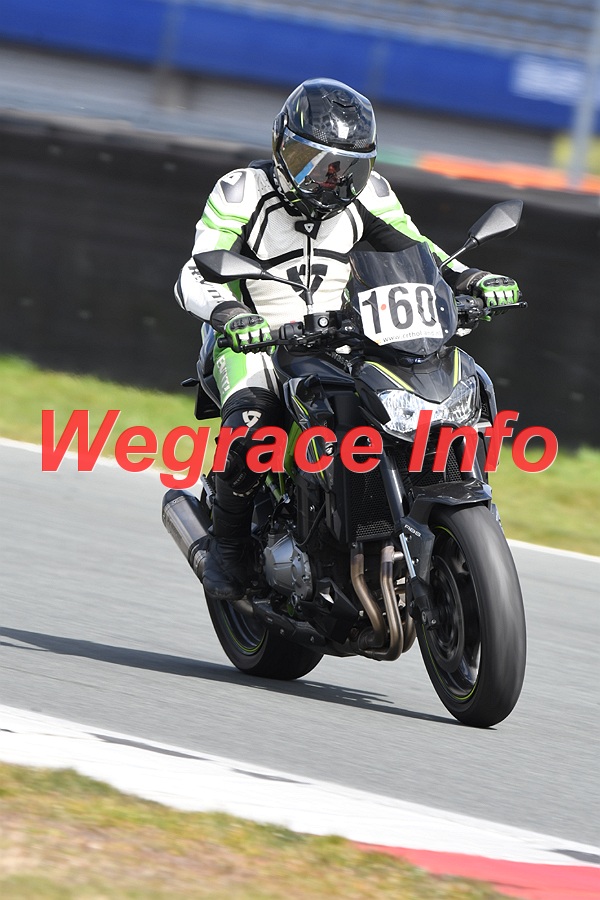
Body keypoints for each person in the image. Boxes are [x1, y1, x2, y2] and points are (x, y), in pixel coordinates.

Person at [174, 77, 520, 605]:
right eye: (311, 161)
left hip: (343, 333)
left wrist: (471, 279)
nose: (328, 179)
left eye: (345, 168)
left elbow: (419, 251)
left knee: (442, 390)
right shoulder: (242, 190)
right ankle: (227, 549)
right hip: (255, 337)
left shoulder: (369, 195)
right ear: (280, 145)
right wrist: (232, 315)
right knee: (252, 425)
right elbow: (195, 272)